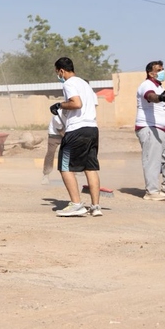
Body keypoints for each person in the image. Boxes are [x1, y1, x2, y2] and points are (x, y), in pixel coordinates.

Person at [51, 57, 102, 217]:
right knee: (90, 167)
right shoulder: (86, 85)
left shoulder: (69, 83)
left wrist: (60, 105)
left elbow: (76, 103)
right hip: (92, 129)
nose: (58, 76)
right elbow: (91, 105)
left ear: (61, 70)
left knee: (65, 166)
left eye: (57, 72)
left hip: (76, 130)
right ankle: (95, 206)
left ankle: (76, 204)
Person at [136, 60, 165, 201]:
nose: (162, 72)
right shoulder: (147, 85)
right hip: (149, 128)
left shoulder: (160, 87)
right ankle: (151, 192)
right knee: (152, 160)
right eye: (159, 70)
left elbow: (161, 109)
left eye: (163, 69)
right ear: (151, 73)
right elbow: (150, 97)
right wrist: (159, 98)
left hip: (164, 129)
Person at [41, 114, 65, 184]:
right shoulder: (57, 114)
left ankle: (72, 174)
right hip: (54, 135)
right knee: (50, 153)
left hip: (66, 134)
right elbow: (59, 128)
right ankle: (46, 175)